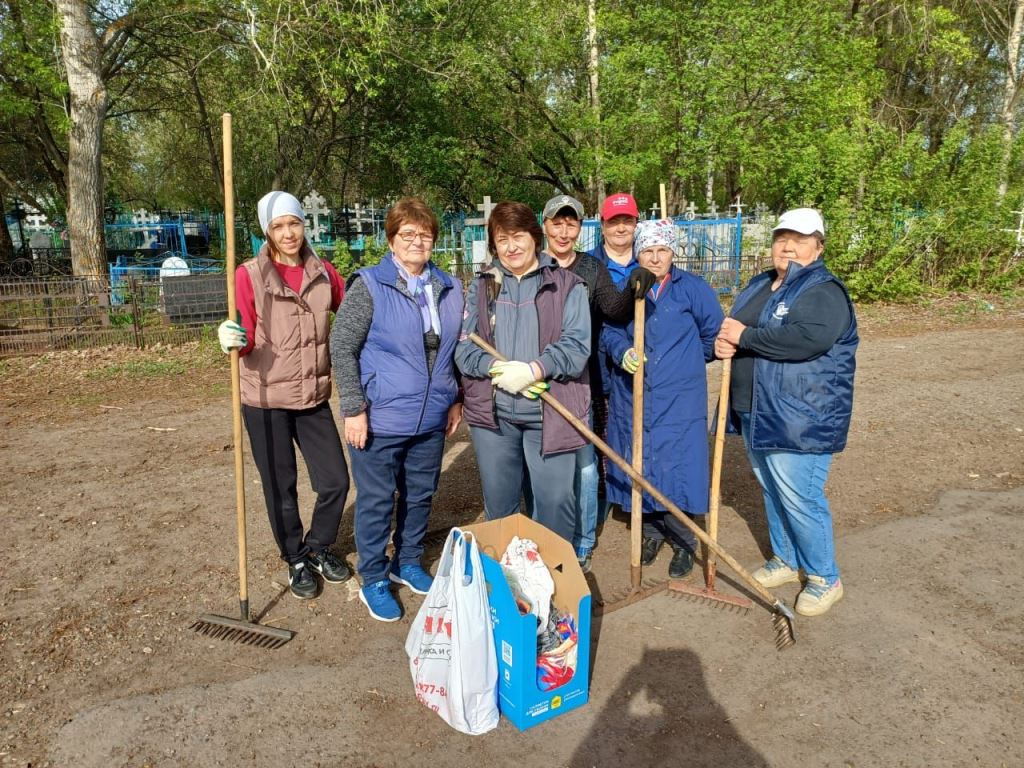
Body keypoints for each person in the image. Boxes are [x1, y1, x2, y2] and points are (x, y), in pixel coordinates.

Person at [714, 207, 857, 617]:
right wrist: (727, 343)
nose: (788, 246)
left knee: (800, 497)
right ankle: (786, 559)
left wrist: (746, 336)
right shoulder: (763, 283)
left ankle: (824, 578)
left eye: (800, 239)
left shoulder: (823, 290)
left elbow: (805, 340)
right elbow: (737, 329)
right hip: (758, 412)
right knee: (773, 492)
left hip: (800, 418)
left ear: (819, 246)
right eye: (782, 238)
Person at [329, 198, 464, 622]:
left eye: (424, 235)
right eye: (407, 234)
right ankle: (372, 577)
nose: (416, 242)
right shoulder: (370, 286)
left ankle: (406, 561)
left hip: (430, 417)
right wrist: (353, 408)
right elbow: (342, 347)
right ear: (391, 240)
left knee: (421, 494)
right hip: (380, 418)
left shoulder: (449, 287)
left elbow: (456, 350)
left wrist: (454, 396)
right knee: (376, 500)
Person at [217, 191, 351, 600]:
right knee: (281, 487)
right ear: (266, 231)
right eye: (278, 226)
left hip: (312, 397)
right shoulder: (248, 275)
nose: (288, 232)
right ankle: (294, 557)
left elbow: (353, 316)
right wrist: (229, 337)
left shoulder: (324, 273)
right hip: (264, 401)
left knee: (335, 481)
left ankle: (318, 546)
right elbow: (243, 335)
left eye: (294, 223)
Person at [455, 201, 591, 544]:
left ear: (534, 236)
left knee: (555, 503)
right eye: (502, 240)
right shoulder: (482, 286)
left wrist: (535, 368)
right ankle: (506, 582)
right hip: (495, 417)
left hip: (550, 411)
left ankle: (554, 579)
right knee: (500, 507)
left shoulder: (566, 286)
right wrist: (496, 368)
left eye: (518, 236)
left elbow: (577, 348)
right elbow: (464, 348)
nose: (511, 247)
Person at [537, 194, 655, 572]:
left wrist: (636, 285)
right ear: (545, 227)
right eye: (557, 222)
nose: (564, 230)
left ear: (579, 228)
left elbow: (615, 310)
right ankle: (543, 535)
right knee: (540, 462)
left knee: (585, 464)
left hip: (577, 379)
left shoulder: (591, 268)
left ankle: (583, 541)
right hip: (535, 379)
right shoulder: (533, 264)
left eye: (571, 224)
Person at [601, 219, 723, 578]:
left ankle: (684, 540)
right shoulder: (627, 288)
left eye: (662, 250)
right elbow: (609, 331)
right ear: (638, 253)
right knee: (643, 462)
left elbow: (712, 336)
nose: (655, 258)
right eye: (648, 251)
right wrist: (622, 350)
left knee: (680, 467)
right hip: (634, 392)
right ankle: (652, 533)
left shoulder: (693, 289)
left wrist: (680, 364)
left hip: (679, 397)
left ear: (673, 253)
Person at [587, 192, 641, 288]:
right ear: (603, 226)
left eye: (628, 221)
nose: (621, 229)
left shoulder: (648, 261)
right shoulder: (587, 263)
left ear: (636, 224)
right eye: (613, 222)